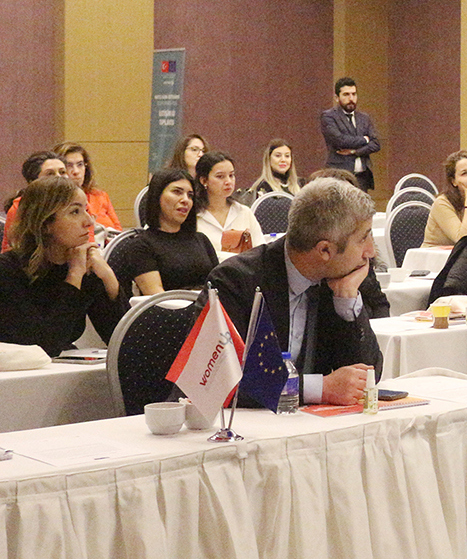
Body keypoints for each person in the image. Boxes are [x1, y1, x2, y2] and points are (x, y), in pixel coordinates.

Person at [208, 178, 383, 405]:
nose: (370, 251)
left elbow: (367, 376)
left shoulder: (341, 278)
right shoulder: (235, 281)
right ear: (325, 250)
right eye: (363, 238)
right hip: (249, 422)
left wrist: (346, 300)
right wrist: (319, 389)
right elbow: (218, 380)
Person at [0, 175, 123, 356]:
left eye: (86, 210)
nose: (89, 221)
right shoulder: (8, 270)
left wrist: (109, 278)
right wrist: (74, 277)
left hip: (60, 367)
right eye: (75, 212)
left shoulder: (84, 264)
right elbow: (44, 346)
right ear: (45, 224)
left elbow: (124, 343)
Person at [123, 168, 219, 295]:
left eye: (190, 195)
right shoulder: (141, 245)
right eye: (177, 192)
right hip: (168, 306)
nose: (185, 200)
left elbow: (218, 286)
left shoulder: (201, 240)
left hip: (208, 305)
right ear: (157, 196)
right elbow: (155, 296)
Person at [193, 152, 266, 258]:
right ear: (204, 180)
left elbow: (261, 251)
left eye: (231, 175)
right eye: (220, 176)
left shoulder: (244, 212)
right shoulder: (194, 216)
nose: (228, 181)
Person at [320, 76, 381, 192]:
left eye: (354, 94)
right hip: (339, 176)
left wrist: (355, 152)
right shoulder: (329, 116)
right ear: (337, 98)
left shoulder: (364, 118)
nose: (351, 98)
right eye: (346, 95)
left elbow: (376, 144)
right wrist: (365, 140)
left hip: (362, 177)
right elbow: (340, 141)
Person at [2, 152, 68, 251]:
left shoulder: (77, 203)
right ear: (33, 182)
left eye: (62, 172)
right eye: (50, 173)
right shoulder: (20, 208)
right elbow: (13, 250)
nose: (59, 177)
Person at [423, 150, 467, 246]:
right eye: (464, 173)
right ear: (453, 181)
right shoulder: (441, 203)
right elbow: (465, 241)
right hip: (435, 255)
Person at [55, 141, 121, 232]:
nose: (76, 171)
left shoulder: (100, 196)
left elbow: (118, 231)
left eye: (80, 164)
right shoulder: (56, 202)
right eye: (69, 166)